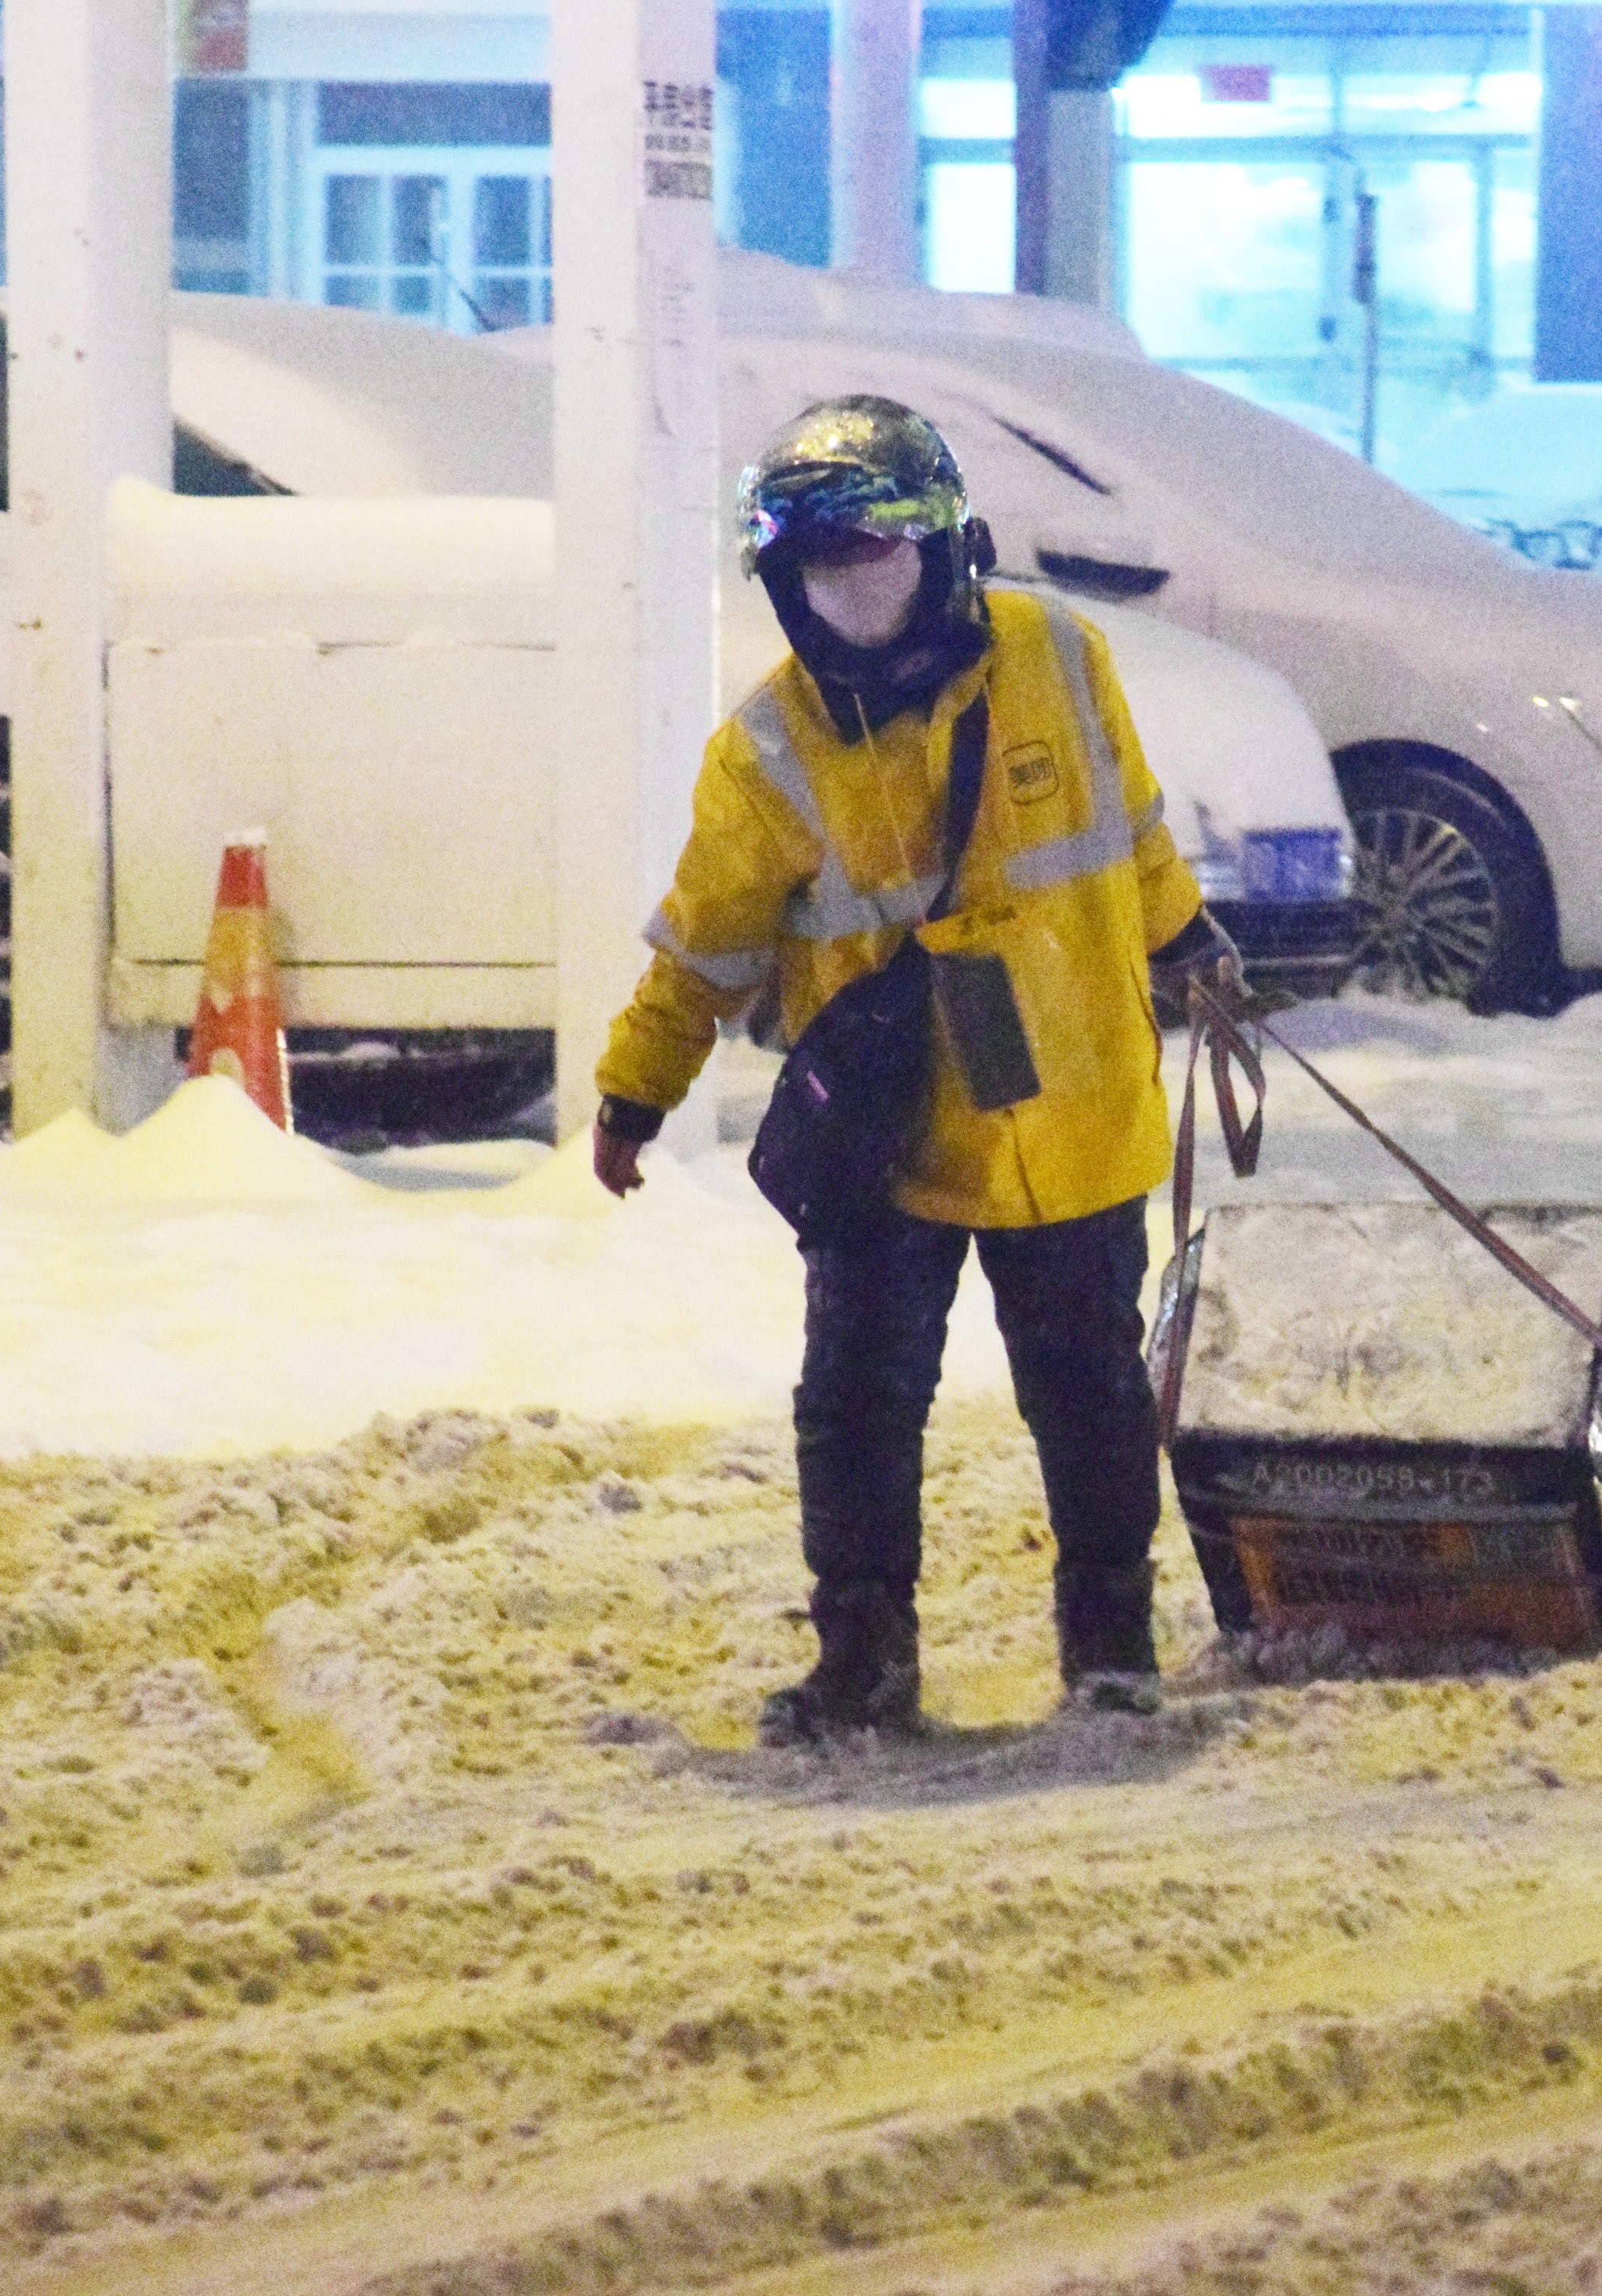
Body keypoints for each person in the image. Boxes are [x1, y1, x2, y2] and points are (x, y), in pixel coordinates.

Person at [589, 396, 1245, 1743]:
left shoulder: (1060, 654)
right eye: (824, 575)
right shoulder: (766, 750)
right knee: (856, 1402)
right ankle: (864, 1658)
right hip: (886, 1138)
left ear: (942, 548)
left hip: (1072, 1105)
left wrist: (1191, 942)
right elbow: (704, 945)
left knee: (1092, 1395)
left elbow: (1130, 830)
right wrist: (634, 1089)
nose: (854, 599)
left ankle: (1110, 1645)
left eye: (876, 562)